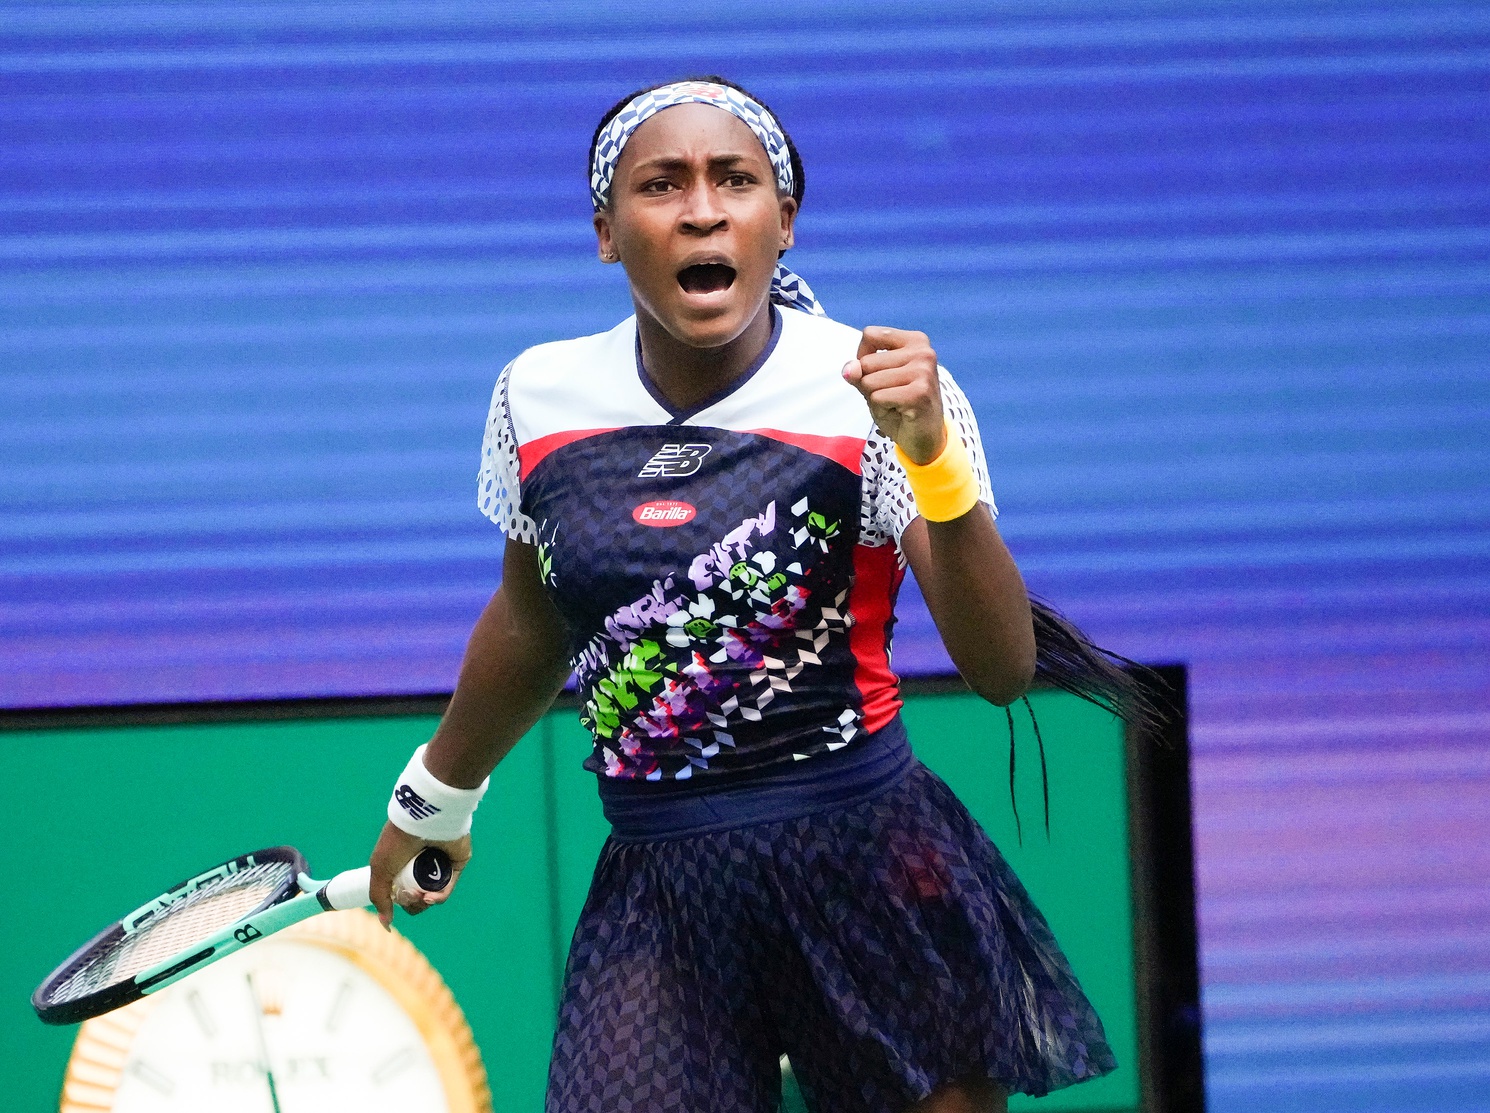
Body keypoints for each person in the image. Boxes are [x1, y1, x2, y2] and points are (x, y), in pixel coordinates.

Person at [366, 76, 1123, 1113]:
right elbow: (529, 617)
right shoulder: (535, 395)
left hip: (863, 858)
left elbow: (1000, 667)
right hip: (660, 888)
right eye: (660, 184)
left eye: (734, 180)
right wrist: (436, 799)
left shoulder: (876, 388)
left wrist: (931, 458)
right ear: (605, 232)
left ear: (783, 224)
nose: (701, 209)